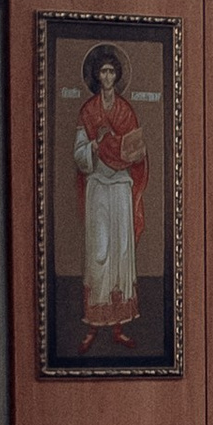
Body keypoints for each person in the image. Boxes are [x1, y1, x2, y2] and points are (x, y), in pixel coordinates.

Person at [74, 46, 146, 348]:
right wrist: (95, 145)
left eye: (111, 71)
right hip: (98, 187)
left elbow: (137, 150)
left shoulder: (125, 110)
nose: (107, 76)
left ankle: (117, 326)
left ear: (117, 76)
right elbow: (78, 154)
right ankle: (94, 323)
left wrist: (117, 144)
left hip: (119, 186)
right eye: (102, 71)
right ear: (96, 76)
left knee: (121, 251)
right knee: (99, 252)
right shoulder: (88, 111)